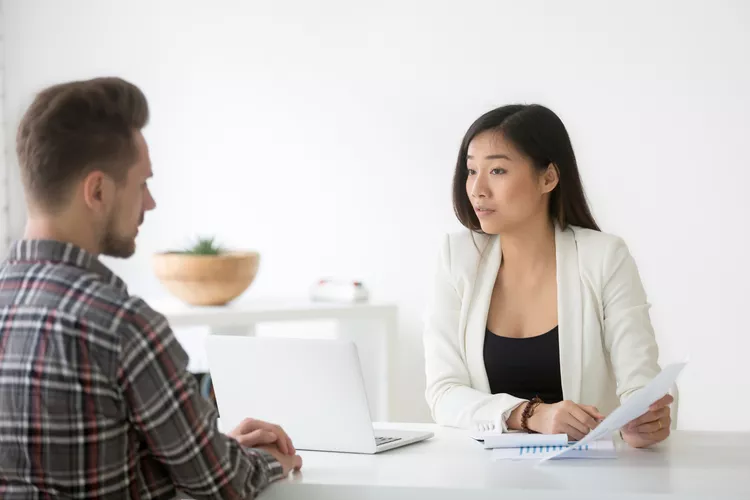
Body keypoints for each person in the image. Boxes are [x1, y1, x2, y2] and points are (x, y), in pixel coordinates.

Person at [0, 77, 302, 499]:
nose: (150, 202)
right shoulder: (121, 325)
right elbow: (222, 484)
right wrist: (275, 458)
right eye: (142, 183)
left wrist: (213, 448)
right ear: (99, 190)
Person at [423, 104, 672, 449]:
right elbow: (444, 393)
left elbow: (640, 379)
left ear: (548, 178)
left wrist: (645, 419)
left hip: (587, 475)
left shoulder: (604, 257)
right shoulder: (457, 257)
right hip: (483, 476)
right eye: (470, 170)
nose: (477, 188)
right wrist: (531, 414)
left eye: (496, 170)